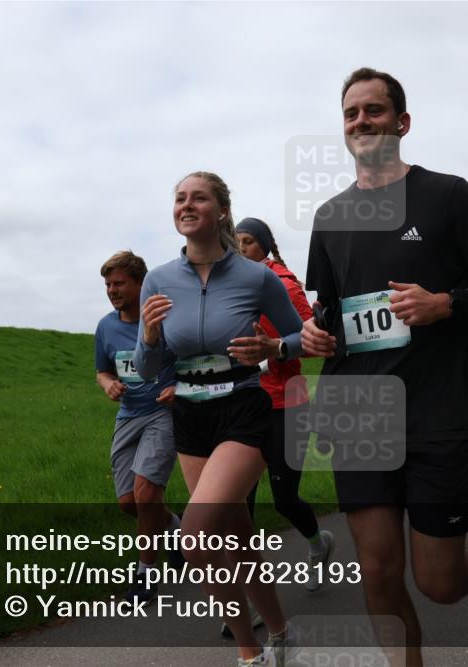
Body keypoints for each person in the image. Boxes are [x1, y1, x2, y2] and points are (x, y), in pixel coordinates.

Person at [301, 67, 468, 667]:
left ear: (402, 123)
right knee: (377, 573)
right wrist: (312, 332)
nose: (361, 121)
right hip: (357, 414)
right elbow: (328, 309)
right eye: (351, 113)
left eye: (374, 110)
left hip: (435, 411)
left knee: (438, 582)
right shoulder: (329, 216)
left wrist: (444, 303)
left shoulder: (448, 195)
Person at [135, 172, 303, 667]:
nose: (186, 205)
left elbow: (304, 338)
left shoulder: (257, 276)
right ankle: (279, 633)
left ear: (222, 211)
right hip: (189, 415)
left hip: (243, 409)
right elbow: (149, 370)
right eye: (179, 198)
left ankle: (249, 655)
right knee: (238, 540)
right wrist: (147, 337)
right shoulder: (159, 279)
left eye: (198, 197)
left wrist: (273, 346)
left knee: (196, 537)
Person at [236, 217, 335, 593]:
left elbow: (314, 340)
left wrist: (271, 356)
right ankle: (249, 591)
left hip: (286, 404)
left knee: (284, 499)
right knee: (238, 501)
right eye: (236, 242)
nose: (241, 248)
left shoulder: (284, 285)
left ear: (264, 246)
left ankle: (317, 545)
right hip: (244, 403)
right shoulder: (232, 285)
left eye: (247, 241)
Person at [94, 251, 183, 605]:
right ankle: (176, 531)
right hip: (128, 416)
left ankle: (146, 579)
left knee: (146, 493)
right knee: (129, 503)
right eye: (107, 284)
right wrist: (107, 385)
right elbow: (103, 370)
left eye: (119, 283)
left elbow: (188, 359)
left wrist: (179, 386)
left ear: (140, 284)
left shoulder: (164, 319)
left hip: (162, 413)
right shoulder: (105, 326)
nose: (112, 290)